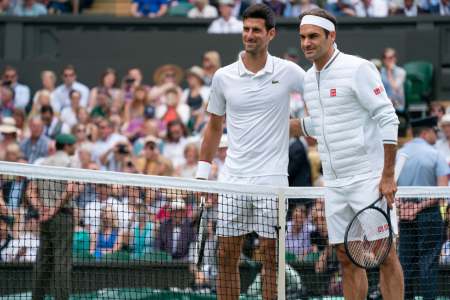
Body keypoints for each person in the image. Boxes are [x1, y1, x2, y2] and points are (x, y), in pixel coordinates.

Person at [196, 4, 305, 300]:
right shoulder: (223, 76)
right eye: (246, 29)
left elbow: (319, 99)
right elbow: (214, 127)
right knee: (226, 257)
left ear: (271, 34)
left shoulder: (289, 71)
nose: (249, 35)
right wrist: (201, 176)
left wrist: (301, 126)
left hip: (272, 181)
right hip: (233, 180)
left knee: (271, 257)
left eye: (256, 30)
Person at [294, 8, 403, 300]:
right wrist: (287, 126)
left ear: (331, 36)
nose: (306, 42)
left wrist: (388, 174)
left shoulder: (358, 68)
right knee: (345, 257)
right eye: (303, 37)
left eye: (314, 36)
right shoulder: (307, 79)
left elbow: (388, 118)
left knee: (385, 255)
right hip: (334, 182)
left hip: (368, 178)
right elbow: (322, 122)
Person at [397, 116, 448, 300]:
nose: (437, 135)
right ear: (426, 133)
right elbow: (442, 191)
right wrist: (418, 208)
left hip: (405, 216)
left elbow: (390, 186)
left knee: (405, 265)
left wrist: (404, 207)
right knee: (428, 265)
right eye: (435, 131)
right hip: (428, 217)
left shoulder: (398, 154)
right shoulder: (435, 154)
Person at [28, 134, 83, 300]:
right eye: (73, 145)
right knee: (62, 261)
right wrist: (53, 209)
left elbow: (30, 191)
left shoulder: (43, 163)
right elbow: (71, 188)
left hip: (45, 218)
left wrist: (41, 208)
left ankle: (36, 297)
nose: (75, 148)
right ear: (66, 146)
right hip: (62, 216)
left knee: (42, 260)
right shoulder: (70, 162)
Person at [380, 47, 406, 111]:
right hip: (383, 102)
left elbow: (395, 87)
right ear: (383, 59)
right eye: (386, 57)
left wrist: (389, 71)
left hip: (397, 104)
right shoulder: (381, 71)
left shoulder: (401, 72)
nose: (388, 60)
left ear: (395, 59)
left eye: (391, 57)